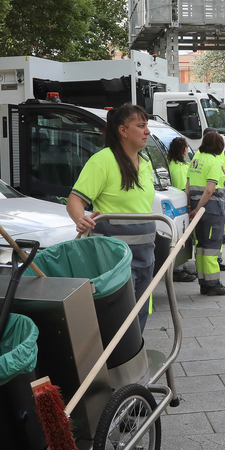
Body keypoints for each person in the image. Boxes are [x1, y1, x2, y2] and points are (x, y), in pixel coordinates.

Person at [67, 103, 156, 330]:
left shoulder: (145, 162)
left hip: (146, 254)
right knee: (120, 317)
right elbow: (75, 201)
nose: (147, 131)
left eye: (147, 126)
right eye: (141, 126)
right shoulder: (103, 160)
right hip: (115, 256)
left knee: (140, 311)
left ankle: (134, 359)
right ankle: (115, 362)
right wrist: (80, 219)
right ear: (123, 131)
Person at [188, 129, 225, 295]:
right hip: (211, 211)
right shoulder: (214, 162)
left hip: (196, 209)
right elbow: (209, 190)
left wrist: (191, 208)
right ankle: (213, 283)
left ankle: (204, 283)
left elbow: (188, 185)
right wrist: (200, 208)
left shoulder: (195, 160)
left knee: (200, 246)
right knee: (212, 247)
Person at [166, 137, 198, 283]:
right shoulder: (180, 167)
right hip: (181, 206)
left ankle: (181, 266)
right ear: (183, 149)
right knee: (181, 237)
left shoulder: (170, 164)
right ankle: (179, 269)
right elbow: (183, 190)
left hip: (172, 207)